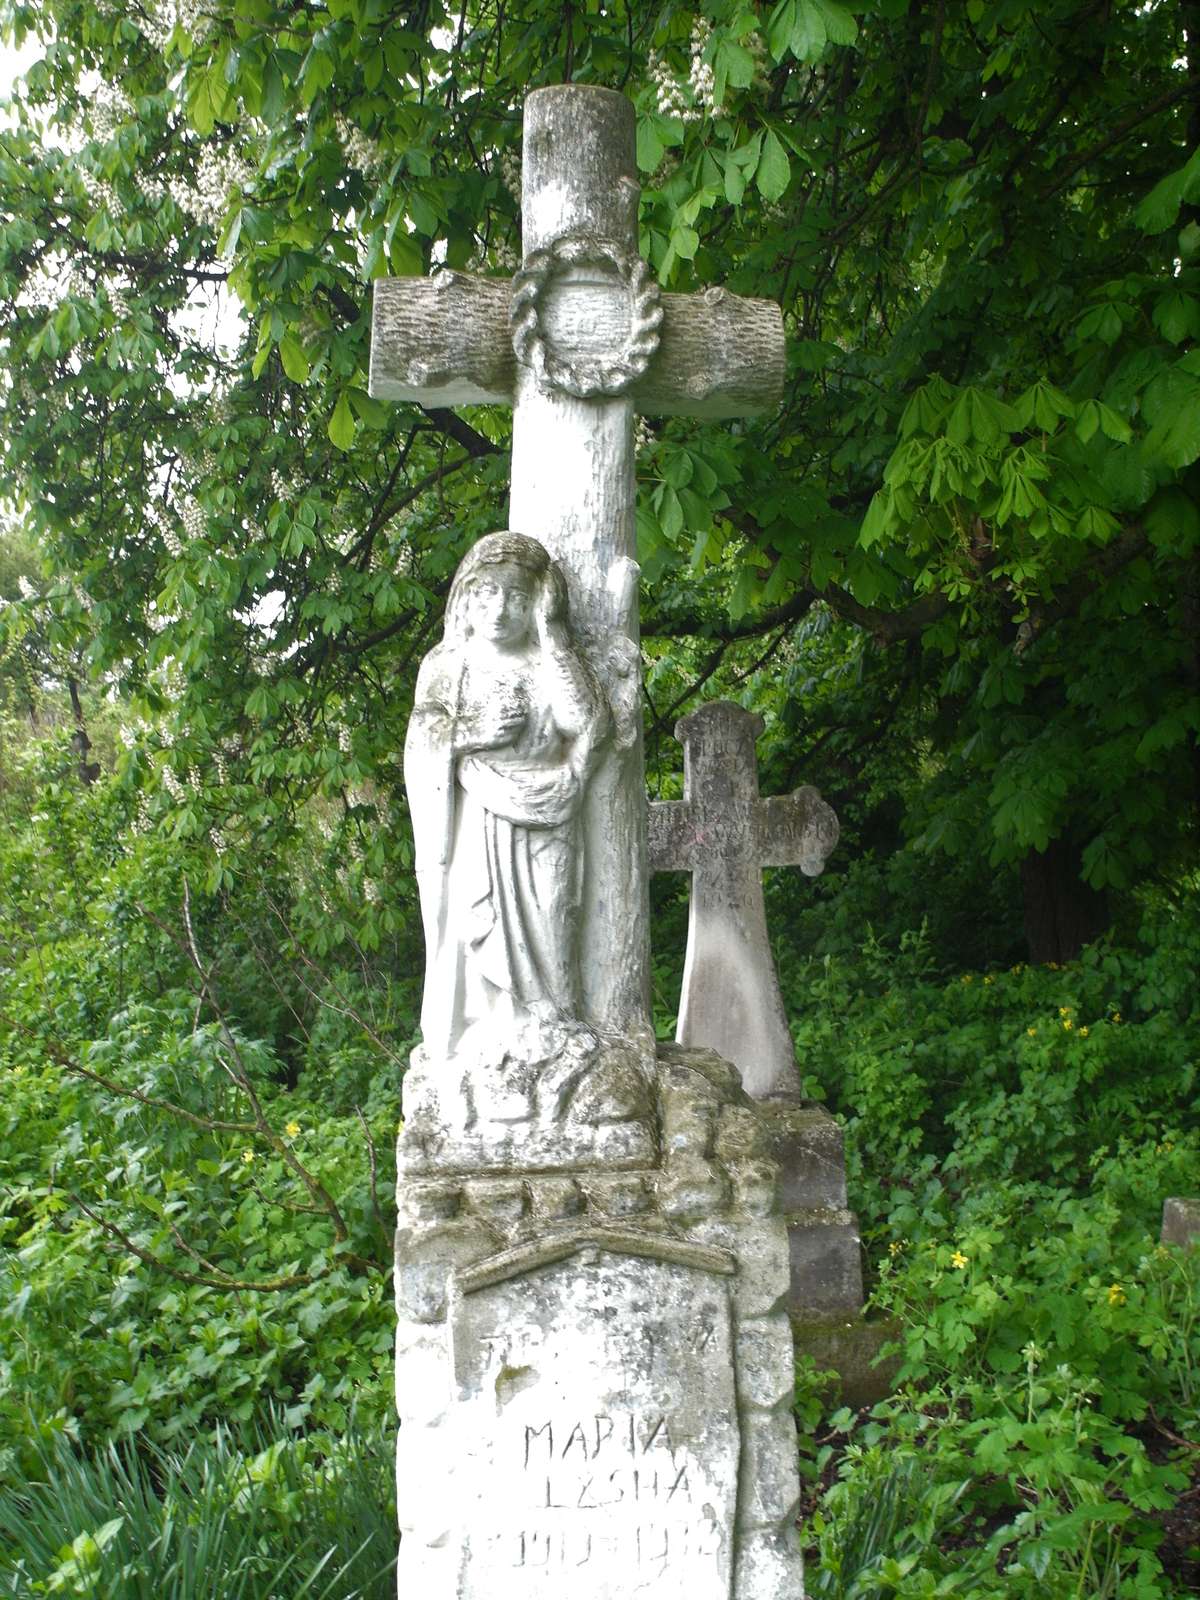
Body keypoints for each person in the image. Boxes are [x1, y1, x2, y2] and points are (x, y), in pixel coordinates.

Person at [405, 531, 609, 1064]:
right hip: (479, 818)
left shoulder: (547, 660)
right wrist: (472, 730)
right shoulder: (448, 666)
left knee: (555, 914)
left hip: (551, 812)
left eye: (517, 597)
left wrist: (555, 636)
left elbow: (585, 722)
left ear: (537, 603)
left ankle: (556, 1023)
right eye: (487, 594)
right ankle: (491, 1030)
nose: (499, 608)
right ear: (466, 598)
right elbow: (422, 741)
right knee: (481, 922)